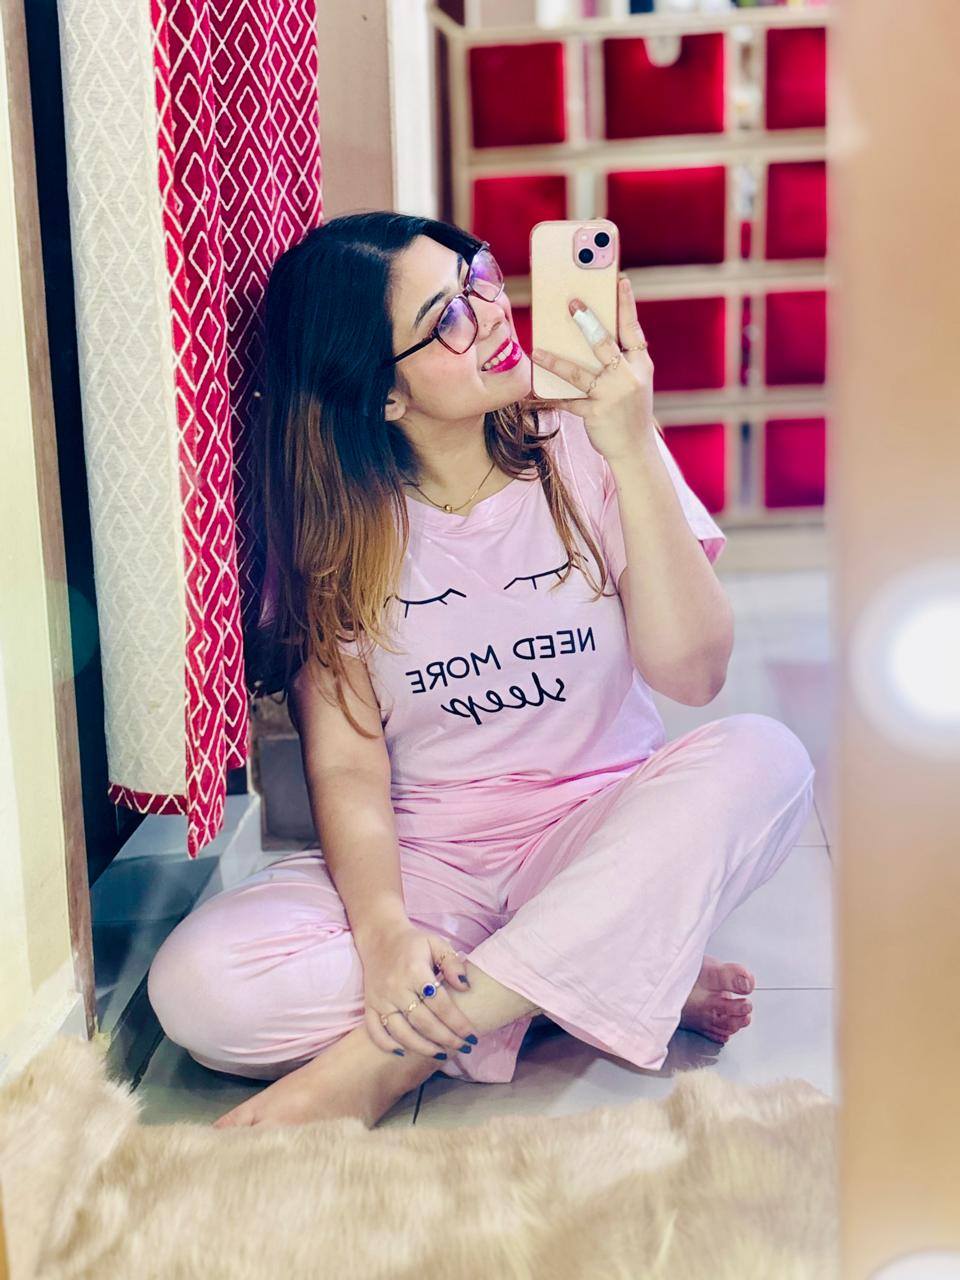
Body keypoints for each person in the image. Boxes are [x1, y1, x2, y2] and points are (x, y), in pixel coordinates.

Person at [146, 212, 815, 1130]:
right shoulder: (336, 530)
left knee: (767, 758)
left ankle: (393, 1061)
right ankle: (598, 972)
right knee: (198, 991)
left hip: (596, 833)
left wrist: (631, 446)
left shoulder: (587, 441)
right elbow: (347, 765)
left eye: (481, 278)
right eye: (448, 319)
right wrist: (385, 931)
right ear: (383, 395)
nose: (494, 313)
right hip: (434, 867)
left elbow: (694, 674)